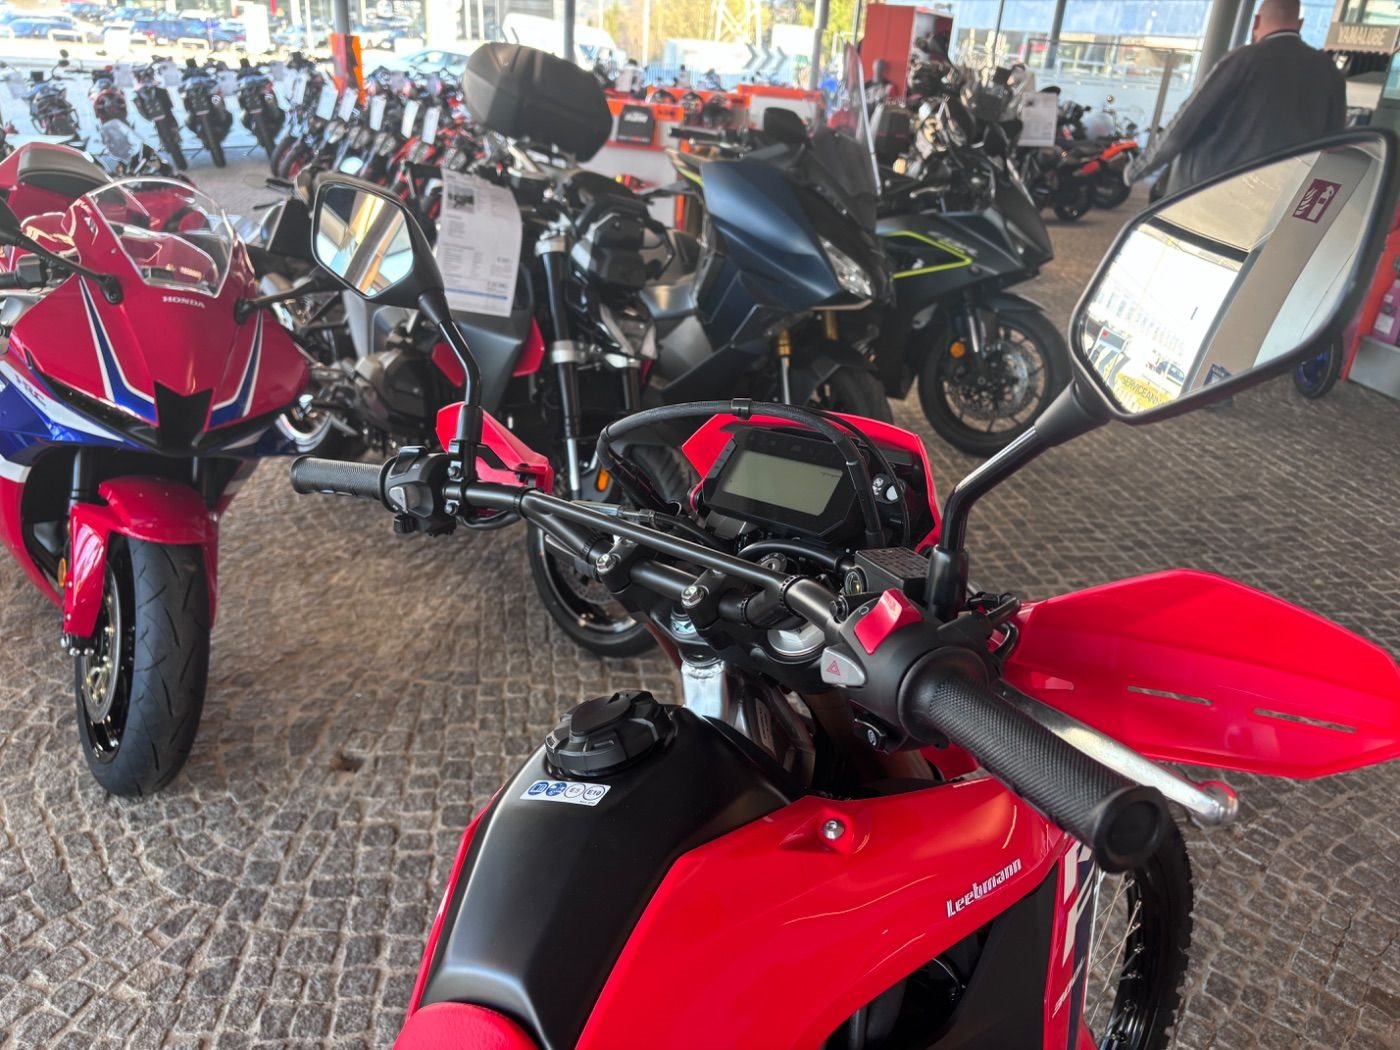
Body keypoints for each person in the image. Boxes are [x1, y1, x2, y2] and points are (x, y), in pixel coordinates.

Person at [1126, 0, 1345, 195]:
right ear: (1300, 24)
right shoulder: (1329, 71)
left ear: (1256, 21)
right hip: (1279, 195)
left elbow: (1183, 126)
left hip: (1207, 191)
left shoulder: (1243, 59)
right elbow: (1333, 145)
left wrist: (1136, 170)